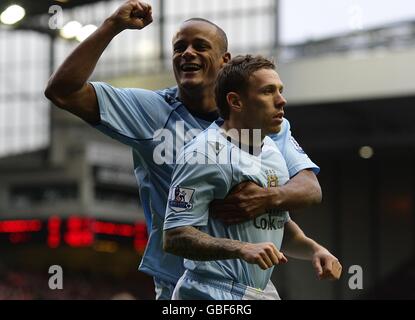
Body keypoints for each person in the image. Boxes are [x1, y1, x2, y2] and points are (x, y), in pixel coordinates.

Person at [44, 0, 322, 299]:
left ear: (224, 60)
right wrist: (112, 26)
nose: (187, 53)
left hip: (248, 282)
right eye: (179, 48)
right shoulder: (150, 111)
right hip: (182, 283)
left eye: (200, 46)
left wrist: (265, 198)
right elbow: (62, 91)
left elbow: (309, 188)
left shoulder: (261, 121)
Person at [163, 55, 342, 300]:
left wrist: (314, 250)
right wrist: (242, 249)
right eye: (268, 92)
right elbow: (174, 236)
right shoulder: (201, 154)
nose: (281, 100)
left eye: (280, 90)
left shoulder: (272, 151)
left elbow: (276, 225)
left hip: (259, 292)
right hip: (209, 290)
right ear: (236, 101)